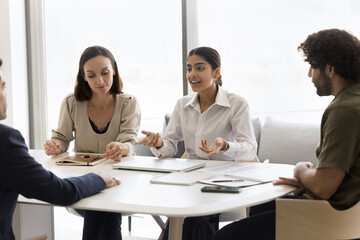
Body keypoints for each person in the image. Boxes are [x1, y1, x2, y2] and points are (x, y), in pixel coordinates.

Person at [213, 28, 360, 240]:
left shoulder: (343, 109)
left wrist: (301, 170)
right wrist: (308, 181)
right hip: (350, 216)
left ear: (330, 68)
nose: (310, 75)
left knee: (224, 236)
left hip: (329, 218)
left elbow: (323, 186)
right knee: (260, 208)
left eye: (312, 66)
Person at [137, 46, 258, 240]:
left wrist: (226, 145)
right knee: (183, 208)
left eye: (199, 68)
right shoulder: (182, 105)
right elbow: (170, 146)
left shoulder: (237, 103)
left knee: (195, 213)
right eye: (189, 68)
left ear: (216, 72)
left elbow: (250, 149)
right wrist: (159, 143)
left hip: (224, 178)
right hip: (191, 177)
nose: (192, 74)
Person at [0, 57, 120, 240]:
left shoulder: (127, 102)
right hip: (94, 178)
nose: (5, 94)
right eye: (2, 87)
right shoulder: (5, 140)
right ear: (84, 77)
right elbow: (61, 192)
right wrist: (98, 179)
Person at [43, 46, 141, 240]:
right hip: (83, 178)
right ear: (83, 77)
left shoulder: (128, 102)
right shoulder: (71, 103)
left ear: (114, 70)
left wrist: (121, 148)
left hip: (121, 177)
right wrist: (55, 145)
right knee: (103, 205)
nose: (100, 81)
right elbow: (61, 138)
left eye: (105, 73)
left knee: (102, 204)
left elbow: (129, 141)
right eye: (92, 75)